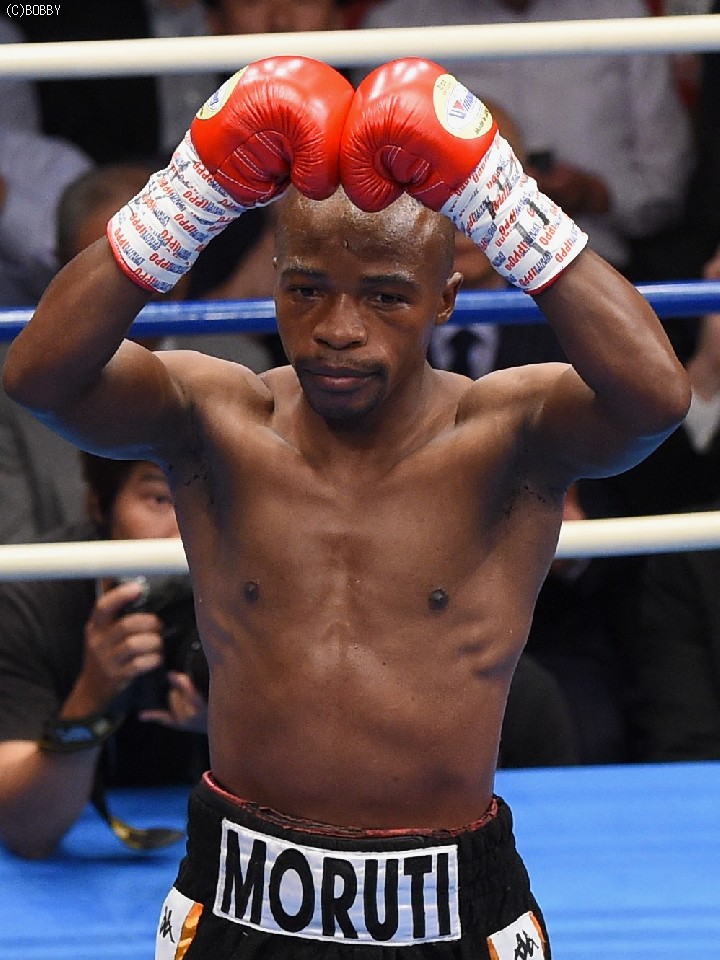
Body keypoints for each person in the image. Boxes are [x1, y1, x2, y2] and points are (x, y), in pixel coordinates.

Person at [2, 56, 689, 956]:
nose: (338, 329)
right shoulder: (217, 420)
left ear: (445, 299)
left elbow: (655, 400)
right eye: (307, 289)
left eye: (385, 297)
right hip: (239, 895)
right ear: (275, 282)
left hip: (447, 902)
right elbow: (41, 378)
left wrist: (501, 203)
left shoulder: (509, 437)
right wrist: (191, 196)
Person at [358, 0, 694, 282]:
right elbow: (367, 193)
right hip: (429, 277)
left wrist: (593, 195)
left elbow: (665, 188)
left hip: (593, 268)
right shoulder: (393, 27)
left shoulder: (620, 15)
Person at [0, 451, 209, 860]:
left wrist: (233, 732)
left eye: (211, 498)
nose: (186, 527)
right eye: (161, 499)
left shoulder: (261, 591)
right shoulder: (28, 597)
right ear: (98, 504)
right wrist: (91, 699)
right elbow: (26, 832)